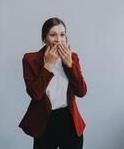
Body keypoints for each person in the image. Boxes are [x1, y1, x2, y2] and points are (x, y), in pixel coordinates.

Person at [19, 17, 87, 149]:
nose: (58, 39)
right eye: (53, 34)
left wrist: (70, 65)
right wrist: (48, 64)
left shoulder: (73, 57)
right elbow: (35, 94)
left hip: (69, 120)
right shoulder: (30, 59)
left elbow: (81, 92)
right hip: (44, 121)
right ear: (44, 39)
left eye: (62, 34)